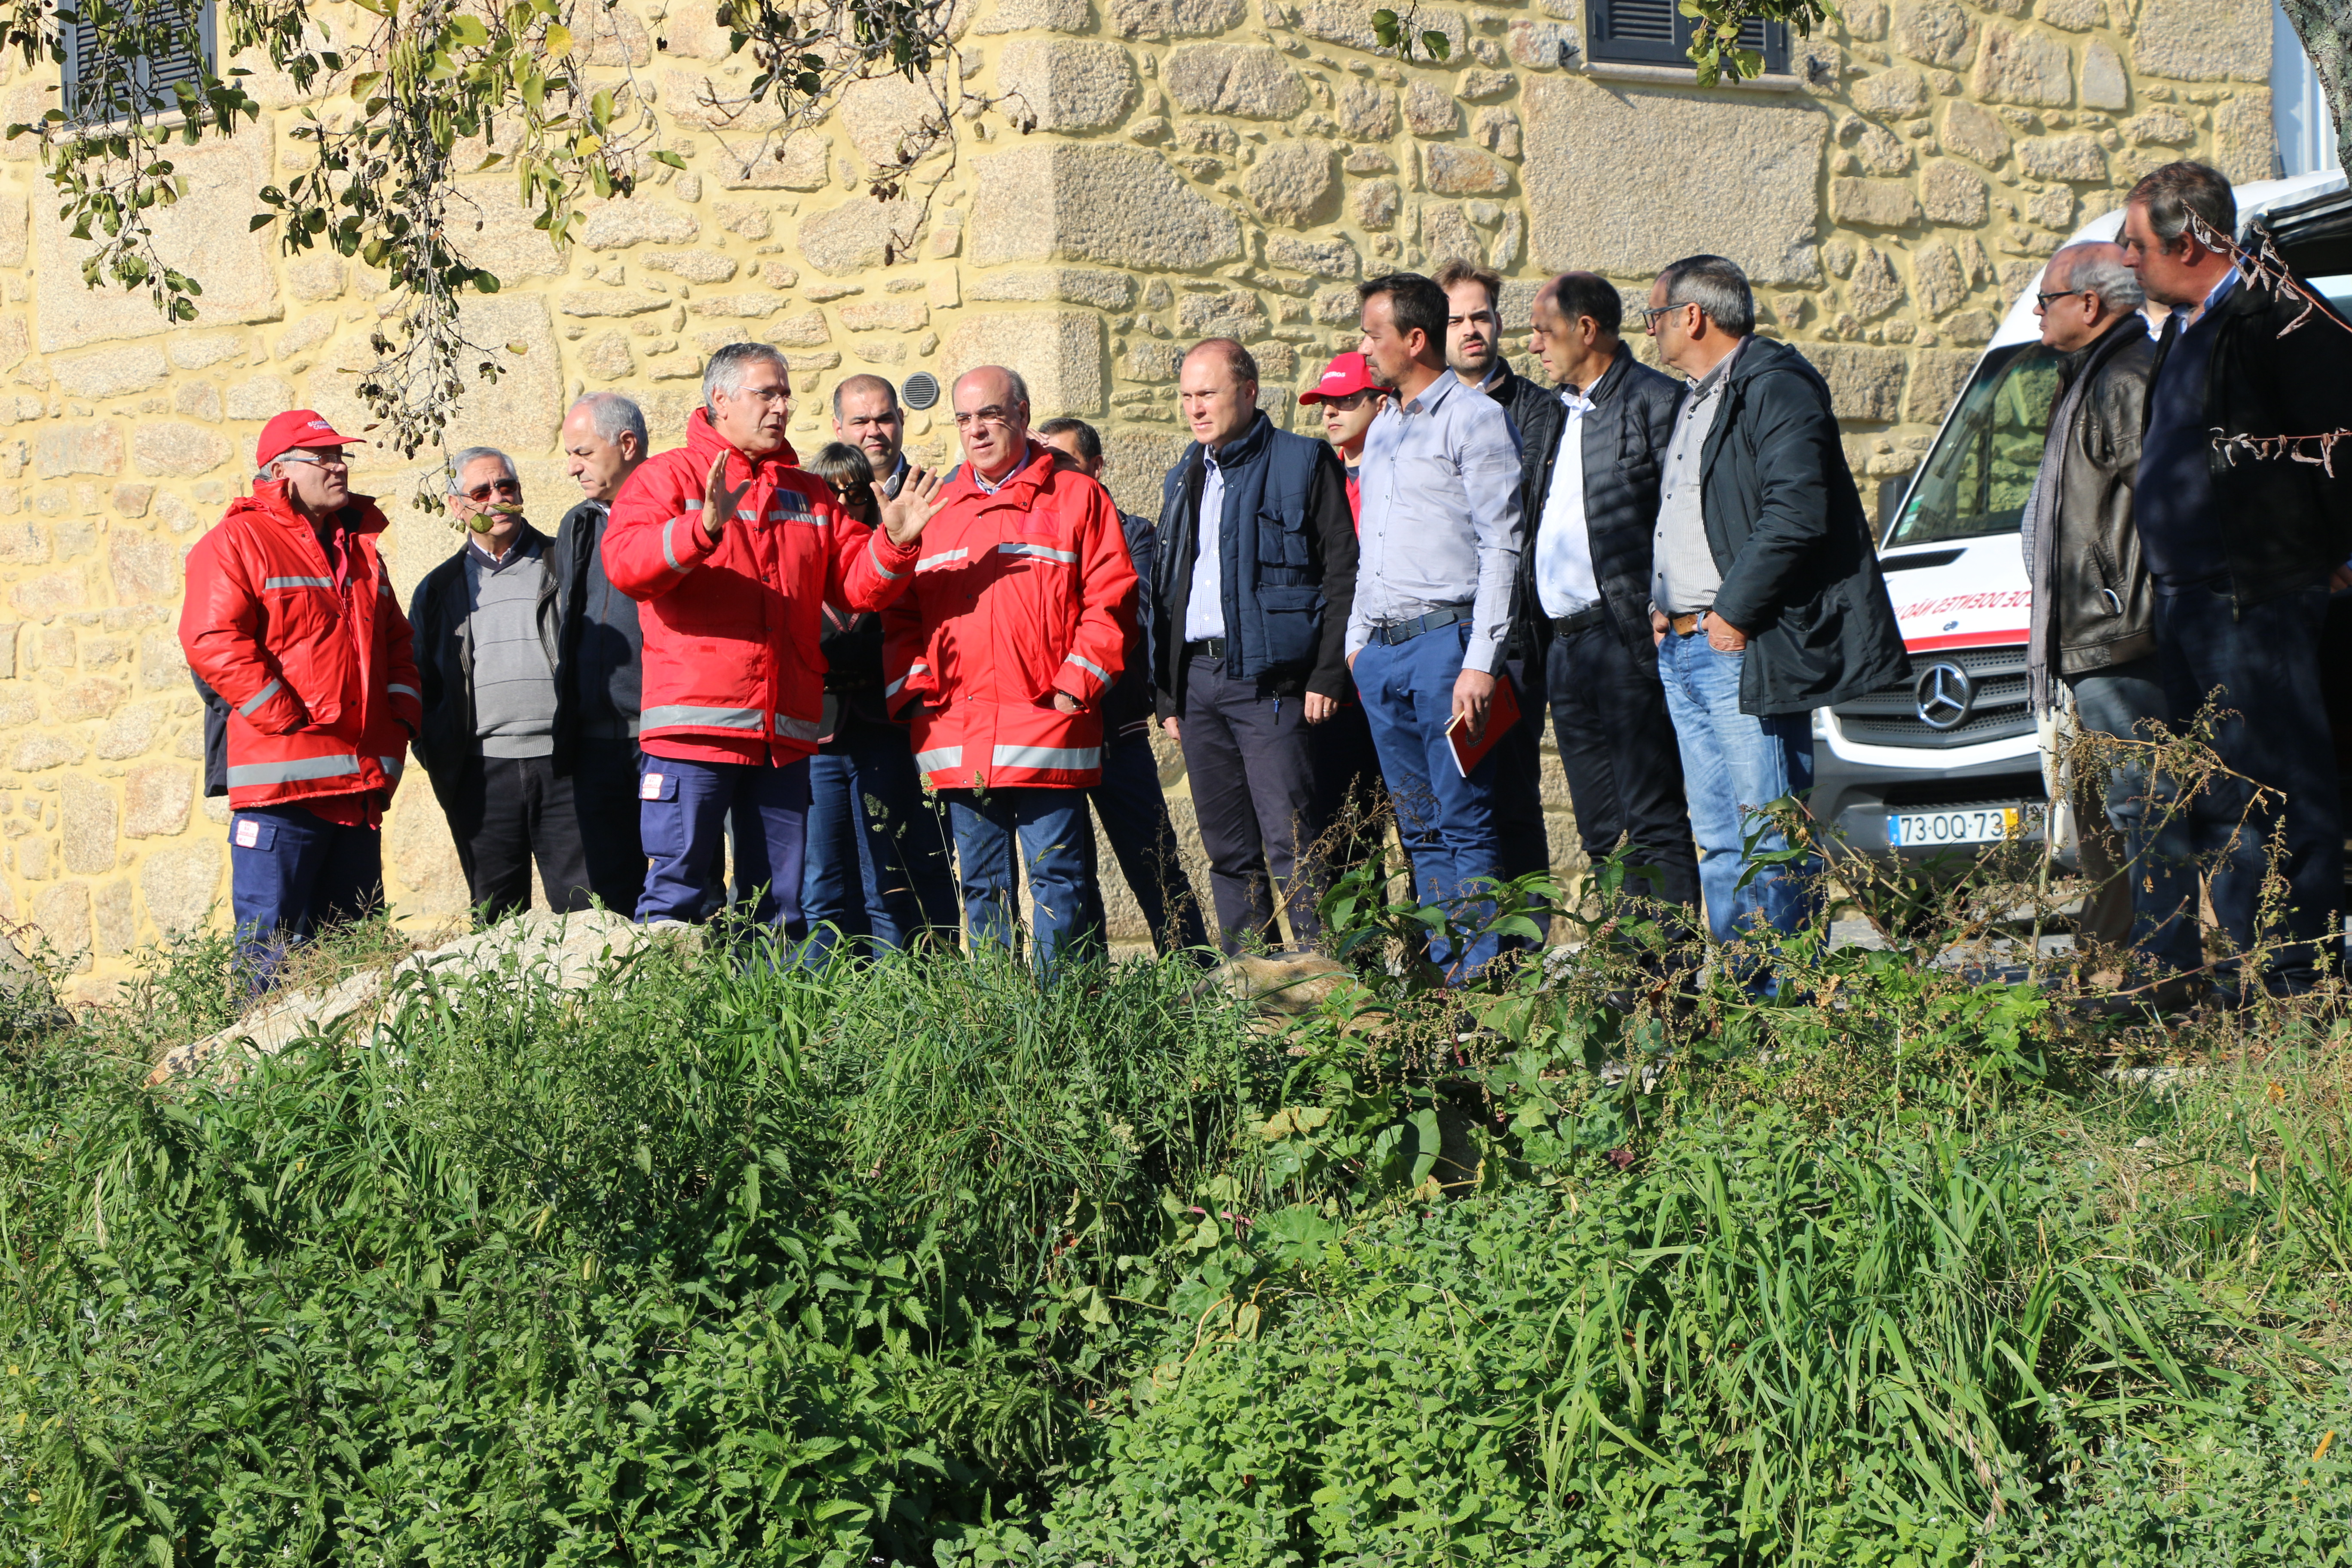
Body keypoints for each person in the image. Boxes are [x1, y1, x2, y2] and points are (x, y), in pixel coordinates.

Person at [601, 343, 944, 935]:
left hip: (783, 735)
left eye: (786, 393)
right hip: (694, 735)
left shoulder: (807, 492)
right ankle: (664, 1028)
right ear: (721, 400)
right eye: (768, 393)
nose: (783, 406)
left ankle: (764, 1029)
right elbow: (627, 566)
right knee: (675, 898)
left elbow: (857, 587)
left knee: (780, 912)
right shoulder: (666, 478)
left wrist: (894, 544)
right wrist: (701, 529)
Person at [2120, 160, 2352, 995]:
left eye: (2135, 241)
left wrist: (2334, 557)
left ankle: (2303, 979)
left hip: (2253, 596)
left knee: (2283, 791)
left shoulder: (2270, 314)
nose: (2124, 257)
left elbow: (2339, 435)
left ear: (2187, 242)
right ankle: (2253, 970)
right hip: (2187, 602)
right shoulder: (2186, 328)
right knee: (2219, 799)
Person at [1642, 254, 1908, 948]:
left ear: (1691, 316)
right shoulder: (1696, 395)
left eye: (1655, 317)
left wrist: (1730, 611)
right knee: (1721, 840)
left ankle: (1789, 1004)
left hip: (1741, 644)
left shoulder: (1773, 386)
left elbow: (1795, 513)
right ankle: (1744, 1000)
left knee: (1770, 831)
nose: (1651, 333)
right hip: (1685, 644)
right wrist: (1661, 606)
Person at [881, 366, 1138, 971]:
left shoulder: (1077, 496)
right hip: (960, 736)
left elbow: (1112, 600)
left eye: (990, 415)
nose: (976, 430)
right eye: (964, 419)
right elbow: (899, 617)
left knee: (1059, 885)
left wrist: (1076, 686)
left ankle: (1059, 1020)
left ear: (1022, 415)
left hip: (1049, 730)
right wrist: (921, 698)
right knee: (982, 890)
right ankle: (1000, 1030)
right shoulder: (935, 506)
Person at [178, 410, 423, 988]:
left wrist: (401, 718)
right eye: (324, 457)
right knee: (270, 965)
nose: (339, 466)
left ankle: (357, 1082)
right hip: (281, 799)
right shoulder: (237, 542)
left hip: (356, 792)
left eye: (342, 455)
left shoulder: (361, 550)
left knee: (357, 972)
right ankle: (263, 1079)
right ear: (280, 470)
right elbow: (211, 639)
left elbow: (397, 641)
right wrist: (282, 715)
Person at [2016, 242, 2199, 983]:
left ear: (2087, 305)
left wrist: (2128, 601)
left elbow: (2163, 505)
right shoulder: (2086, 373)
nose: (2037, 311)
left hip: (2119, 639)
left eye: (2045, 298)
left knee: (2144, 810)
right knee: (2104, 818)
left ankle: (2166, 974)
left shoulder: (2123, 377)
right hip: (2090, 638)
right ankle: (2121, 966)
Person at [1151, 339, 1360, 954]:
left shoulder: (1304, 461)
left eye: (1207, 394)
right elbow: (1170, 589)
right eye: (1187, 396)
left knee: (1294, 842)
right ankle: (1251, 990)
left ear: (1248, 391)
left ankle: (1325, 988)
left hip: (1272, 686)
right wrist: (1167, 692)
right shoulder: (1183, 475)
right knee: (1228, 850)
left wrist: (1327, 675)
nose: (1195, 408)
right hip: (1198, 684)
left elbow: (1343, 573)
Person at [1349, 272, 1525, 979]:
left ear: (1413, 340)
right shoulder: (1384, 425)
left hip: (1446, 651)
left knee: (1465, 822)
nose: (1363, 346)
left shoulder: (1475, 419)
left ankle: (1481, 984)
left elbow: (1503, 544)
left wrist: (1480, 662)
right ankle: (1447, 983)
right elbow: (1376, 544)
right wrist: (1357, 646)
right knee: (1418, 830)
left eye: (1372, 332)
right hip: (1384, 656)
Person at [1516, 271, 1700, 919]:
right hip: (1565, 648)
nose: (1533, 346)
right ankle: (1633, 977)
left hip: (1628, 641)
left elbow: (1684, 520)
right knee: (1601, 832)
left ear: (1585, 330)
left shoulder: (1657, 402)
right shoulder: (1550, 414)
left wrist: (1661, 612)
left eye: (1543, 331)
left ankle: (1673, 988)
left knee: (1651, 817)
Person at [1037, 415, 1212, 958]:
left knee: (1155, 865)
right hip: (1055, 733)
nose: (1055, 474)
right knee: (1070, 878)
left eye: (1065, 462)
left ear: (1095, 466)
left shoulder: (1132, 532)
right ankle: (1088, 1002)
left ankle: (1197, 982)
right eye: (1047, 464)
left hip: (1117, 730)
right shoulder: (1035, 530)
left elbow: (1127, 614)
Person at [407, 447, 595, 922]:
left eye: (506, 486)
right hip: (481, 777)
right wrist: (440, 756)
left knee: (587, 915)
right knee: (497, 924)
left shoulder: (566, 565)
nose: (498, 499)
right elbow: (420, 683)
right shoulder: (439, 590)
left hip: (567, 768)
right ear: (457, 506)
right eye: (481, 491)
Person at [798, 440, 960, 957]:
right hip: (819, 734)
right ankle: (822, 1000)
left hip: (879, 729)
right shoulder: (799, 557)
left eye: (855, 493)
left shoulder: (889, 552)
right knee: (821, 878)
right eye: (832, 494)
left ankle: (893, 997)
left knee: (886, 874)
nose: (845, 505)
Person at [1437, 257, 1549, 882]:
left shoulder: (1536, 412)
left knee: (1509, 797)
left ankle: (1523, 957)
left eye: (1480, 315)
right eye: (1456, 319)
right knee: (1445, 802)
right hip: (1434, 638)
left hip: (1511, 640)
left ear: (1499, 322)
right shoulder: (1413, 416)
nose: (1471, 329)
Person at [552, 394, 654, 915]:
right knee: (612, 896)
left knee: (687, 887)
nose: (573, 467)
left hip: (659, 738)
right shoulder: (578, 524)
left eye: (583, 453)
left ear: (627, 445)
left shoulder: (673, 511)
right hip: (594, 744)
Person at [1298, 352, 1394, 878]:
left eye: (1346, 401)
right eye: (1325, 403)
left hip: (1397, 667)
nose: (1332, 412)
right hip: (1340, 684)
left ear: (1382, 403)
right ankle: (1361, 958)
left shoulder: (1400, 473)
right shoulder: (1320, 480)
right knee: (1346, 836)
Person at [834, 373, 910, 494]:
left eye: (884, 420)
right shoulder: (821, 499)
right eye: (861, 422)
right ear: (839, 429)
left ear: (901, 419)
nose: (874, 432)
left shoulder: (936, 495)